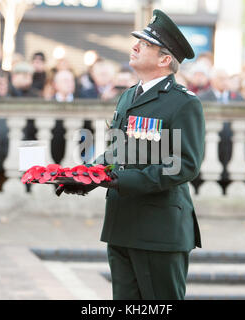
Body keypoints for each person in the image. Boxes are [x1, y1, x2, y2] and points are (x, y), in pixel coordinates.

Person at [57, 9, 205, 300]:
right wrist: (85, 176)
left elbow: (184, 165)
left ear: (165, 60)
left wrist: (118, 180)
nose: (134, 46)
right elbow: (116, 151)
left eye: (146, 44)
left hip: (158, 231)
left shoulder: (183, 103)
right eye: (137, 41)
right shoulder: (128, 95)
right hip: (121, 224)